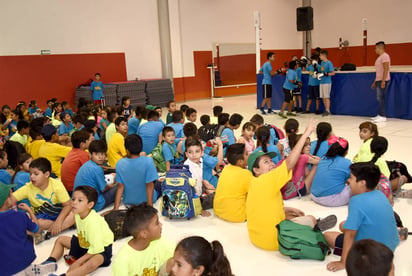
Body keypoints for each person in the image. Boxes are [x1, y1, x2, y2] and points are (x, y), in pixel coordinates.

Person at [246, 119, 337, 251]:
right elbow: (289, 163)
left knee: (294, 214)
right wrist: (306, 134)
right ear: (256, 170)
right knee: (310, 219)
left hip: (256, 236)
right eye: (266, 162)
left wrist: (285, 210)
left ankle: (306, 226)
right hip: (274, 239)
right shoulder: (267, 179)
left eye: (271, 160)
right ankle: (313, 230)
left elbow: (263, 207)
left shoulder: (254, 183)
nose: (272, 164)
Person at [325, 162, 400, 272]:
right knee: (343, 225)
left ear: (362, 183)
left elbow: (350, 235)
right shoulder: (380, 194)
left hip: (371, 253)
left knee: (328, 236)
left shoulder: (356, 201)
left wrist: (343, 262)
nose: (348, 181)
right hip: (390, 246)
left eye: (351, 178)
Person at [35, 186, 114, 276]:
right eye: (73, 199)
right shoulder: (77, 214)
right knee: (60, 240)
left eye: (80, 200)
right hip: (85, 244)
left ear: (90, 205)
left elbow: (96, 249)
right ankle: (50, 262)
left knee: (92, 263)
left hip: (101, 249)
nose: (74, 203)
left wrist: (78, 262)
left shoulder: (93, 222)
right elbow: (72, 228)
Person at [0, 183, 58, 276]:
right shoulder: (20, 216)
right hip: (25, 259)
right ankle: (30, 270)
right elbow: (37, 230)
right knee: (28, 234)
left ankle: (27, 271)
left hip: (3, 269)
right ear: (7, 200)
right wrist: (29, 211)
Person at [12, 158, 74, 236]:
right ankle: (61, 227)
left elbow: (67, 205)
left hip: (59, 213)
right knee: (38, 222)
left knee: (76, 213)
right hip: (43, 218)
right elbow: (10, 199)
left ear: (47, 174)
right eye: (30, 174)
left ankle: (51, 231)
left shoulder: (57, 185)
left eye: (36, 174)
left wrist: (58, 222)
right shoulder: (28, 188)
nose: (32, 177)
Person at [112, 203, 174, 276]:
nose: (161, 225)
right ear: (144, 234)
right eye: (157, 223)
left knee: (176, 262)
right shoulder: (122, 260)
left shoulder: (161, 242)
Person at [105, 135, 159, 215]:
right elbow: (149, 185)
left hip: (128, 201)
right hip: (146, 202)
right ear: (141, 147)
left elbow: (120, 187)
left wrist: (115, 208)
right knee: (159, 184)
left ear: (127, 150)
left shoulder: (120, 164)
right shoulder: (148, 161)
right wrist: (150, 206)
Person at [214, 143, 252, 222]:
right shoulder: (246, 174)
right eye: (246, 154)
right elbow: (257, 193)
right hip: (237, 216)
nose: (249, 156)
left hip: (219, 211)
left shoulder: (226, 168)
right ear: (240, 162)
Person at [74, 140, 116, 211]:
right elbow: (104, 189)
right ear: (90, 155)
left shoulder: (86, 165)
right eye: (97, 154)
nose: (101, 157)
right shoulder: (97, 169)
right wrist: (111, 186)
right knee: (119, 187)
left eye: (102, 154)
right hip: (95, 204)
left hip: (80, 202)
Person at [311, 137, 352, 207]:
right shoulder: (347, 163)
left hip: (314, 195)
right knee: (357, 186)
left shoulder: (323, 159)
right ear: (346, 151)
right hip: (330, 200)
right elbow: (351, 180)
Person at [281, 133, 320, 199]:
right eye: (305, 145)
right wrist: (316, 158)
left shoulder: (293, 156)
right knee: (316, 165)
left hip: (293, 188)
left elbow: (306, 173)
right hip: (300, 190)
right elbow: (320, 162)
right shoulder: (304, 157)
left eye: (309, 144)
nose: (309, 147)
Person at [61, 130, 92, 196]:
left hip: (67, 189)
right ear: (82, 144)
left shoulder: (72, 152)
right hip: (75, 190)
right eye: (89, 140)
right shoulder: (82, 154)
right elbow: (91, 172)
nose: (90, 142)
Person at [371, 41, 391, 123]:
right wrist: (375, 81)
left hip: (383, 80)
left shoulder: (385, 56)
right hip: (378, 80)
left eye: (375, 48)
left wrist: (383, 81)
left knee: (381, 98)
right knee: (379, 98)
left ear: (380, 48)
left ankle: (382, 116)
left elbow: (386, 68)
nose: (375, 50)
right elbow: (379, 71)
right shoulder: (380, 57)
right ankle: (379, 114)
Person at [318, 50, 335, 116]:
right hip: (321, 81)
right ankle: (326, 109)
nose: (319, 57)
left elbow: (333, 73)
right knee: (323, 97)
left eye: (320, 55)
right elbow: (321, 70)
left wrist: (326, 74)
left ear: (324, 55)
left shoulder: (329, 63)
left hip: (327, 82)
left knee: (326, 96)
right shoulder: (322, 63)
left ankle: (328, 110)